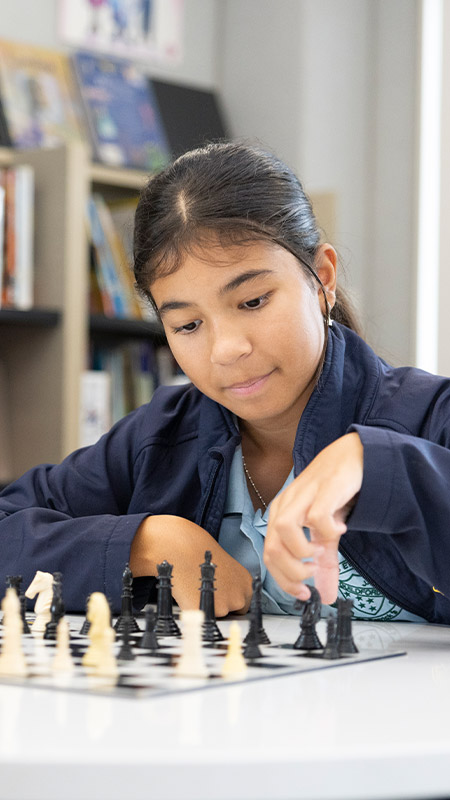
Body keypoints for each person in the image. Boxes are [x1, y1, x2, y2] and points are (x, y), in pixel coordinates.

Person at [1, 142, 450, 623]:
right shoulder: (159, 439)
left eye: (253, 301)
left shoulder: (430, 416)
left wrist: (384, 469)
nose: (226, 349)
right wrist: (149, 542)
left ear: (322, 278)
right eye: (188, 325)